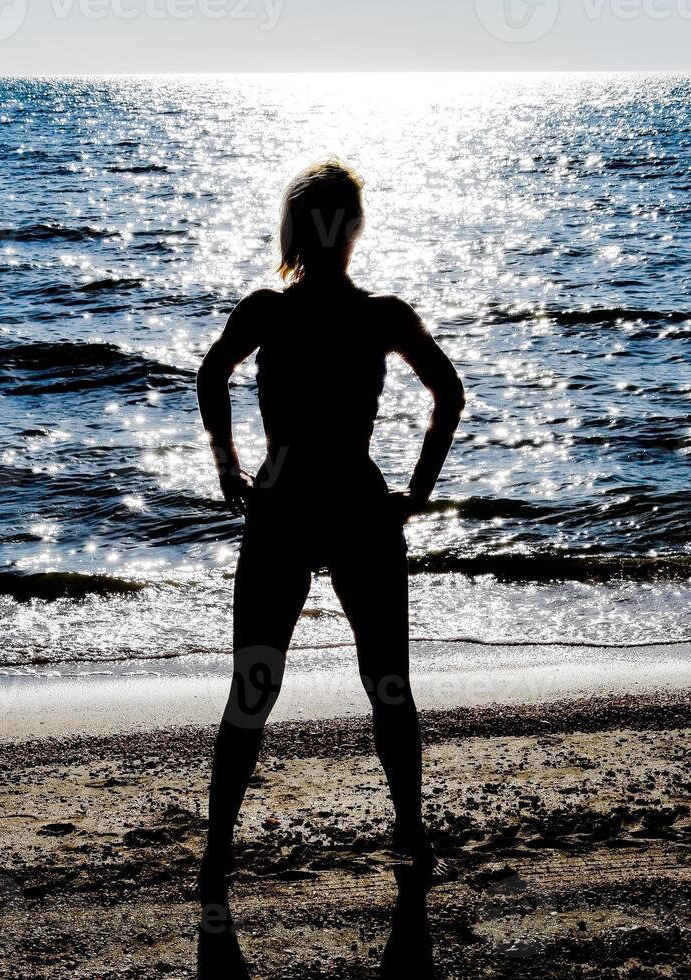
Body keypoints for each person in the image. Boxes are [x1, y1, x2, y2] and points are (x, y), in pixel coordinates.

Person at [194, 158, 465, 965]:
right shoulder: (381, 315)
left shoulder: (269, 312)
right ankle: (410, 834)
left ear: (296, 231)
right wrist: (416, 490)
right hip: (354, 497)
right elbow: (447, 395)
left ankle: (218, 855)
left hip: (282, 496)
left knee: (253, 687)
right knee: (387, 683)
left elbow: (212, 375)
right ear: (353, 230)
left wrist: (228, 466)